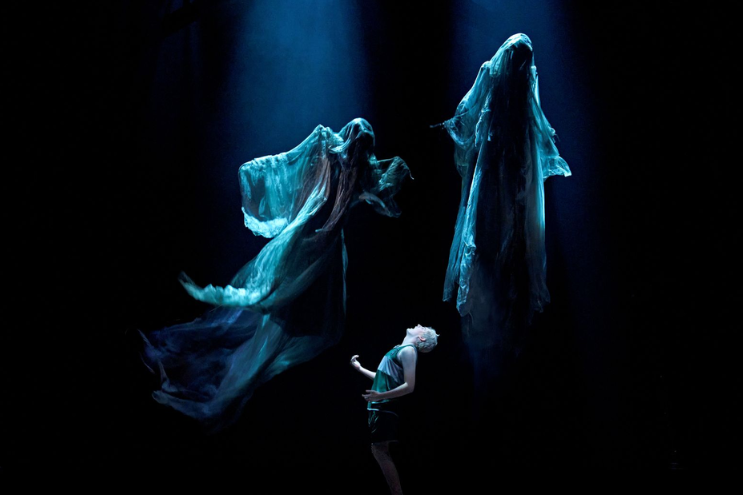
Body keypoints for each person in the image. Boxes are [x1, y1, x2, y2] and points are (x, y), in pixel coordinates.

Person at [139, 118, 411, 431]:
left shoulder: (352, 166)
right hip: (311, 242)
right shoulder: (332, 154)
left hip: (320, 250)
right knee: (267, 310)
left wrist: (397, 170)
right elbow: (291, 165)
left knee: (279, 319)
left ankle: (229, 389)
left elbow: (381, 193)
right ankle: (210, 380)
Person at [438, 33, 571, 382]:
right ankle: (484, 345)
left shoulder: (524, 94)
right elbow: (468, 123)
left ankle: (506, 347)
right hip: (491, 187)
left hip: (513, 187)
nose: (522, 68)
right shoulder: (493, 81)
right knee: (487, 249)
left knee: (515, 254)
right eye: (518, 61)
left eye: (525, 62)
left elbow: (535, 142)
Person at [350, 324, 439, 495]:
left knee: (380, 449)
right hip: (379, 406)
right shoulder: (400, 349)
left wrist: (381, 396)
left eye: (422, 327)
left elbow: (409, 386)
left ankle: (397, 492)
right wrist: (360, 369)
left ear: (421, 337)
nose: (418, 325)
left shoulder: (409, 351)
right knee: (378, 449)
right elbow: (382, 378)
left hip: (385, 407)